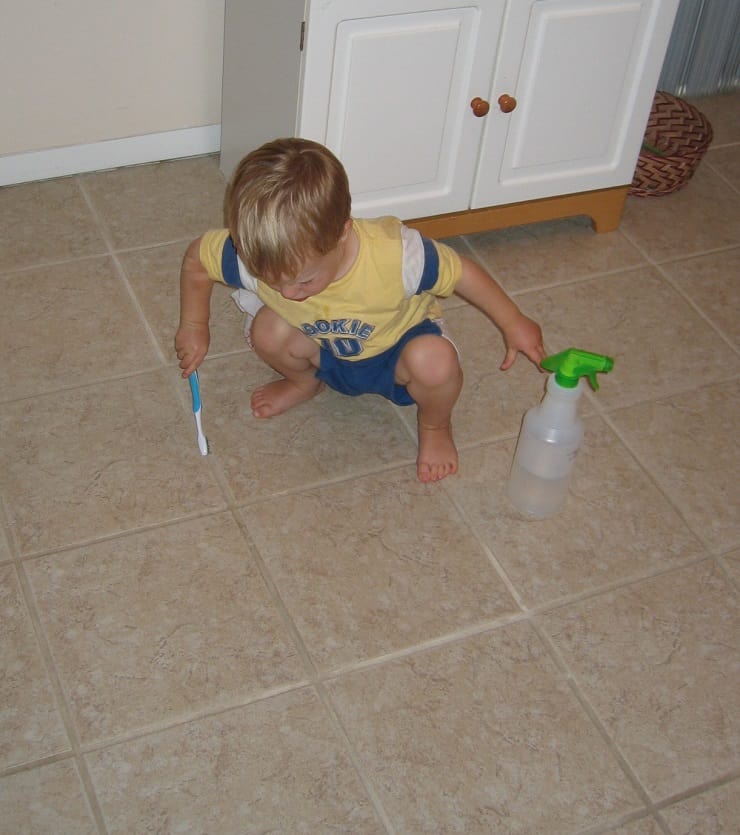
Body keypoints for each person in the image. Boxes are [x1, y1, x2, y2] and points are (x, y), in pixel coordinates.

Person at [175, 138, 545, 483]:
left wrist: (512, 321)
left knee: (435, 363)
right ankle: (304, 383)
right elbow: (197, 260)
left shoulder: (396, 256)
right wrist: (194, 325)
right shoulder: (254, 253)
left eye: (303, 281)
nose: (287, 293)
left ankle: (435, 426)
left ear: (342, 234)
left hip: (396, 351)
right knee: (266, 330)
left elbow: (462, 272)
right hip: (324, 347)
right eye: (270, 281)